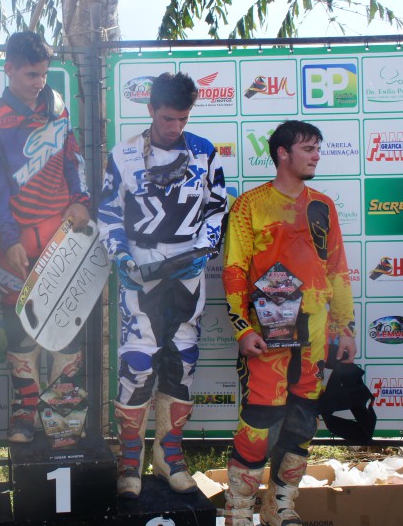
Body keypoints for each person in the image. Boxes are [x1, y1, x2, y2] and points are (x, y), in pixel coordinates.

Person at [98, 72, 228, 497]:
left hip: (188, 271)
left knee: (182, 361)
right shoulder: (123, 154)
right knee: (136, 364)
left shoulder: (205, 152)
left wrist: (205, 248)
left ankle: (169, 455)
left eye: (183, 119)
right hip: (141, 270)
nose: (175, 127)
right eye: (168, 118)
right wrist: (120, 254)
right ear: (151, 109)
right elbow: (108, 212)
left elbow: (217, 208)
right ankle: (129, 460)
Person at [221, 120, 357, 526]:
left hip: (315, 336)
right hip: (268, 334)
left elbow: (337, 270)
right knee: (259, 421)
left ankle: (279, 506)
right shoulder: (250, 204)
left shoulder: (323, 205)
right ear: (283, 153)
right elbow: (234, 269)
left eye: (318, 148)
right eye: (308, 149)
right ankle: (238, 509)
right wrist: (242, 328)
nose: (317, 156)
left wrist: (345, 328)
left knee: (302, 421)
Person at [0, 31, 90, 443]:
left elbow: (72, 160)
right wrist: (8, 241)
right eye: (30, 75)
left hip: (62, 236)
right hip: (18, 240)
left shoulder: (58, 108)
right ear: (8, 69)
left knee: (66, 325)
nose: (39, 82)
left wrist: (80, 199)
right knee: (20, 326)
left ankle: (61, 412)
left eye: (43, 73)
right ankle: (25, 411)